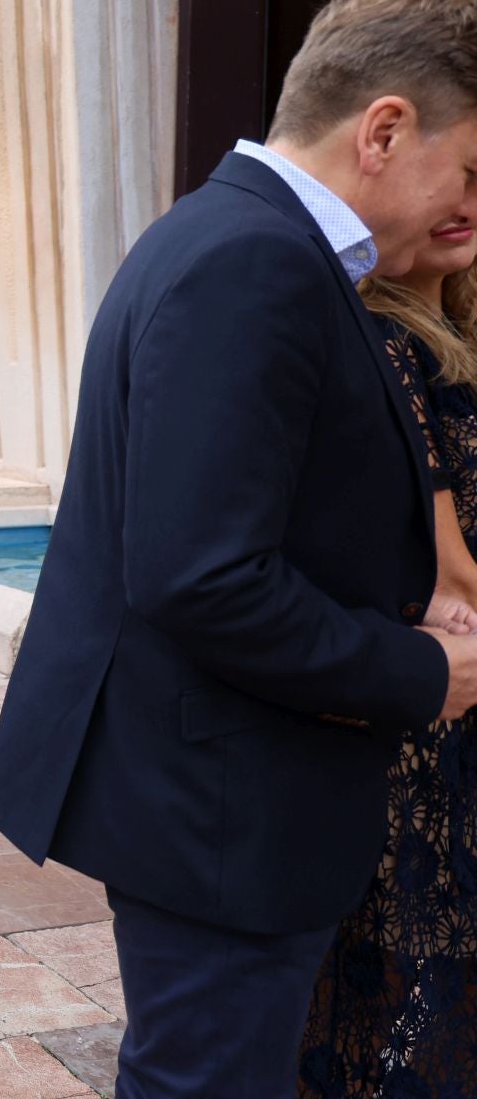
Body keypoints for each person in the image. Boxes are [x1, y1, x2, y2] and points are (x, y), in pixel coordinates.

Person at [0, 0, 477, 1099]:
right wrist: (420, 667)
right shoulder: (254, 259)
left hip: (215, 790)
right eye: (472, 167)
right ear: (385, 130)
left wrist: (404, 599)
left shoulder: (243, 239)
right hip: (218, 807)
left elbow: (254, 521)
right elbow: (200, 575)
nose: (471, 201)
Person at [298, 215, 477, 1089]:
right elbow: (452, 569)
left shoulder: (464, 342)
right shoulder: (387, 344)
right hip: (437, 705)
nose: (464, 208)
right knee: (414, 952)